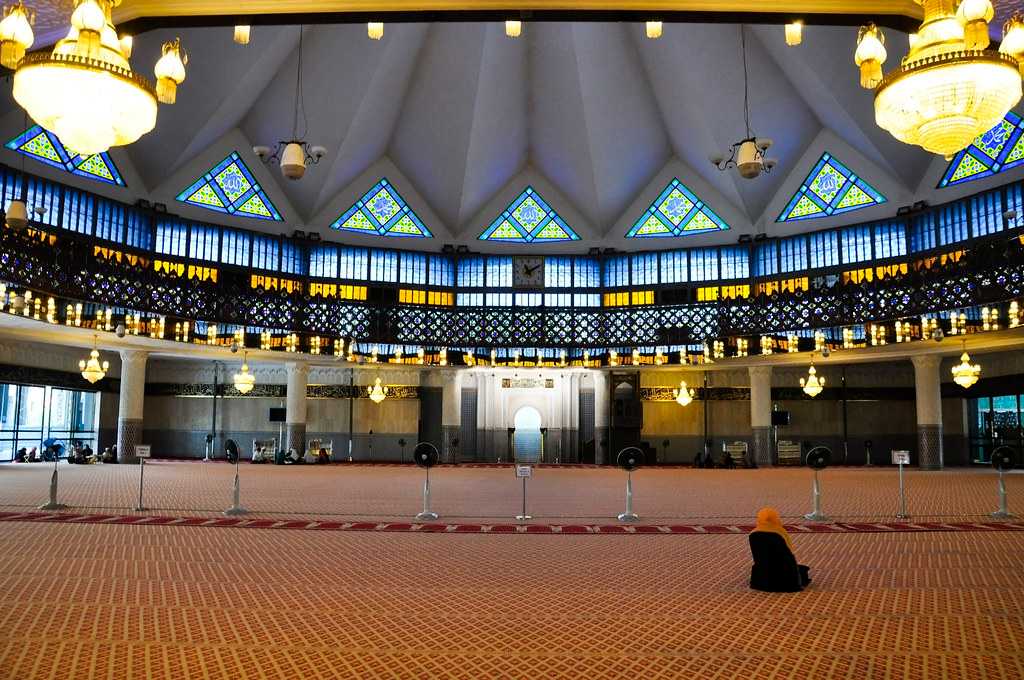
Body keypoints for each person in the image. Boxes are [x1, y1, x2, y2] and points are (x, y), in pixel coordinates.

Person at [748, 507, 811, 592]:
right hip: (784, 581)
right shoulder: (780, 532)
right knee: (803, 570)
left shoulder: (753, 534)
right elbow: (790, 553)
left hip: (762, 580)